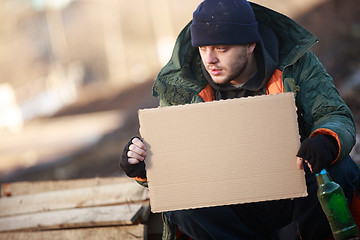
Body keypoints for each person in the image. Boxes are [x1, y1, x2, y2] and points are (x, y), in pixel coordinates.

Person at [120, 0, 360, 239]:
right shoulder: (183, 86)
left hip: (293, 190)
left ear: (249, 44)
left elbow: (333, 114)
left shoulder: (294, 65)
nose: (209, 59)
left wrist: (324, 141)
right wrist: (145, 166)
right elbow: (176, 168)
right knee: (183, 207)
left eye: (220, 48)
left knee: (340, 168)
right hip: (228, 202)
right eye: (203, 48)